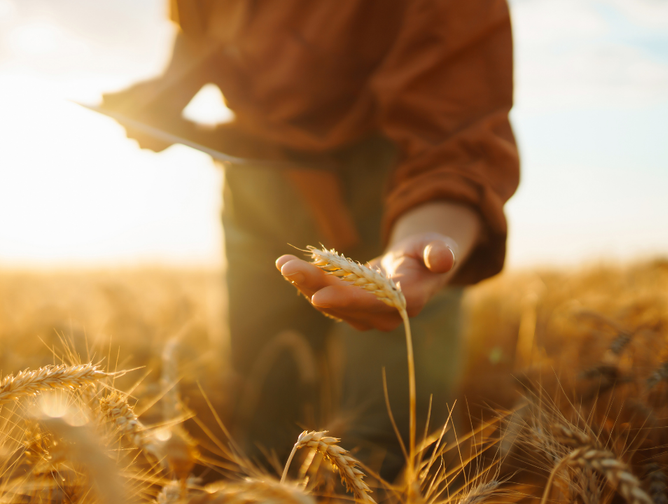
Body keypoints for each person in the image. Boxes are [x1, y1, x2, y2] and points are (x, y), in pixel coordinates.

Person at [101, 0, 519, 481]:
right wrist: (167, 93)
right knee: (263, 405)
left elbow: (457, 124)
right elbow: (203, 25)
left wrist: (425, 235)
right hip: (255, 178)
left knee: (387, 435)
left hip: (396, 188)